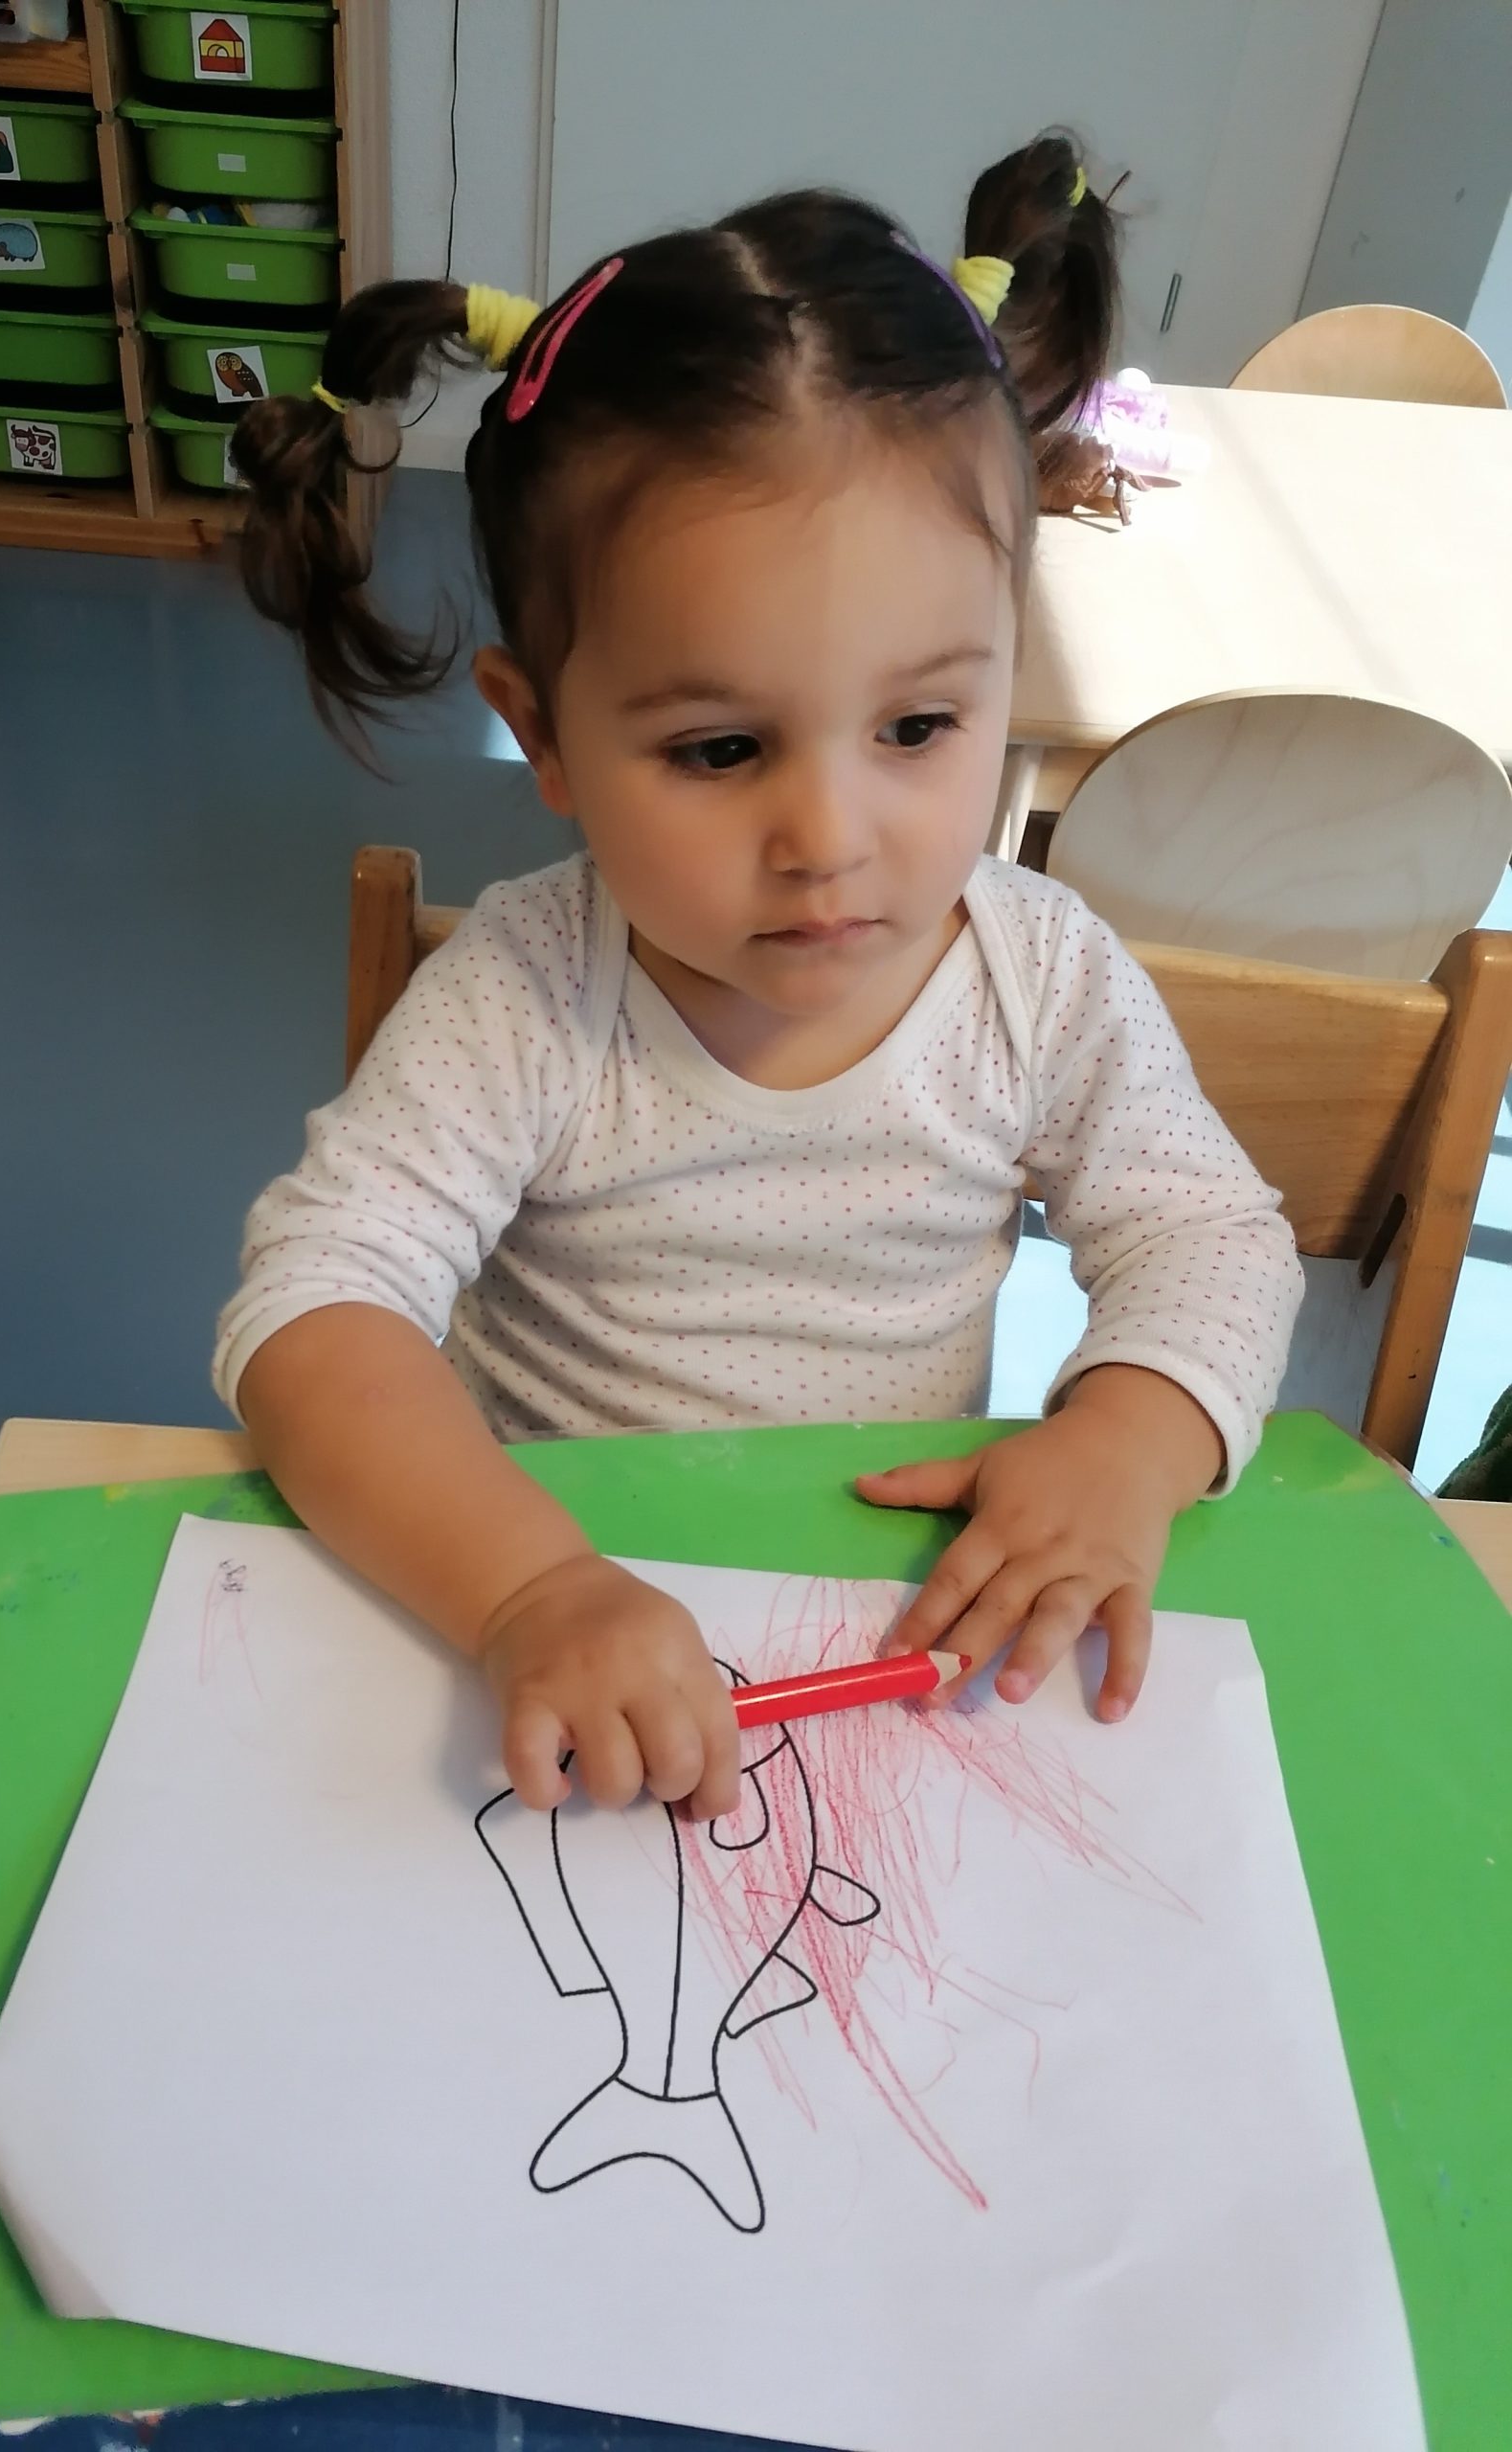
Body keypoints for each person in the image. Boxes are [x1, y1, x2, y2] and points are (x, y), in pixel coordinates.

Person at [214, 133, 1303, 1826]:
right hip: (556, 1605)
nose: (829, 841)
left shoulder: (1039, 978)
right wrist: (523, 1586)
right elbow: (314, 1307)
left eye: (920, 725)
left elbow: (1210, 1238)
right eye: (721, 748)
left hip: (879, 1629)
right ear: (541, 733)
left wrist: (1128, 1440)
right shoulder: (530, 994)